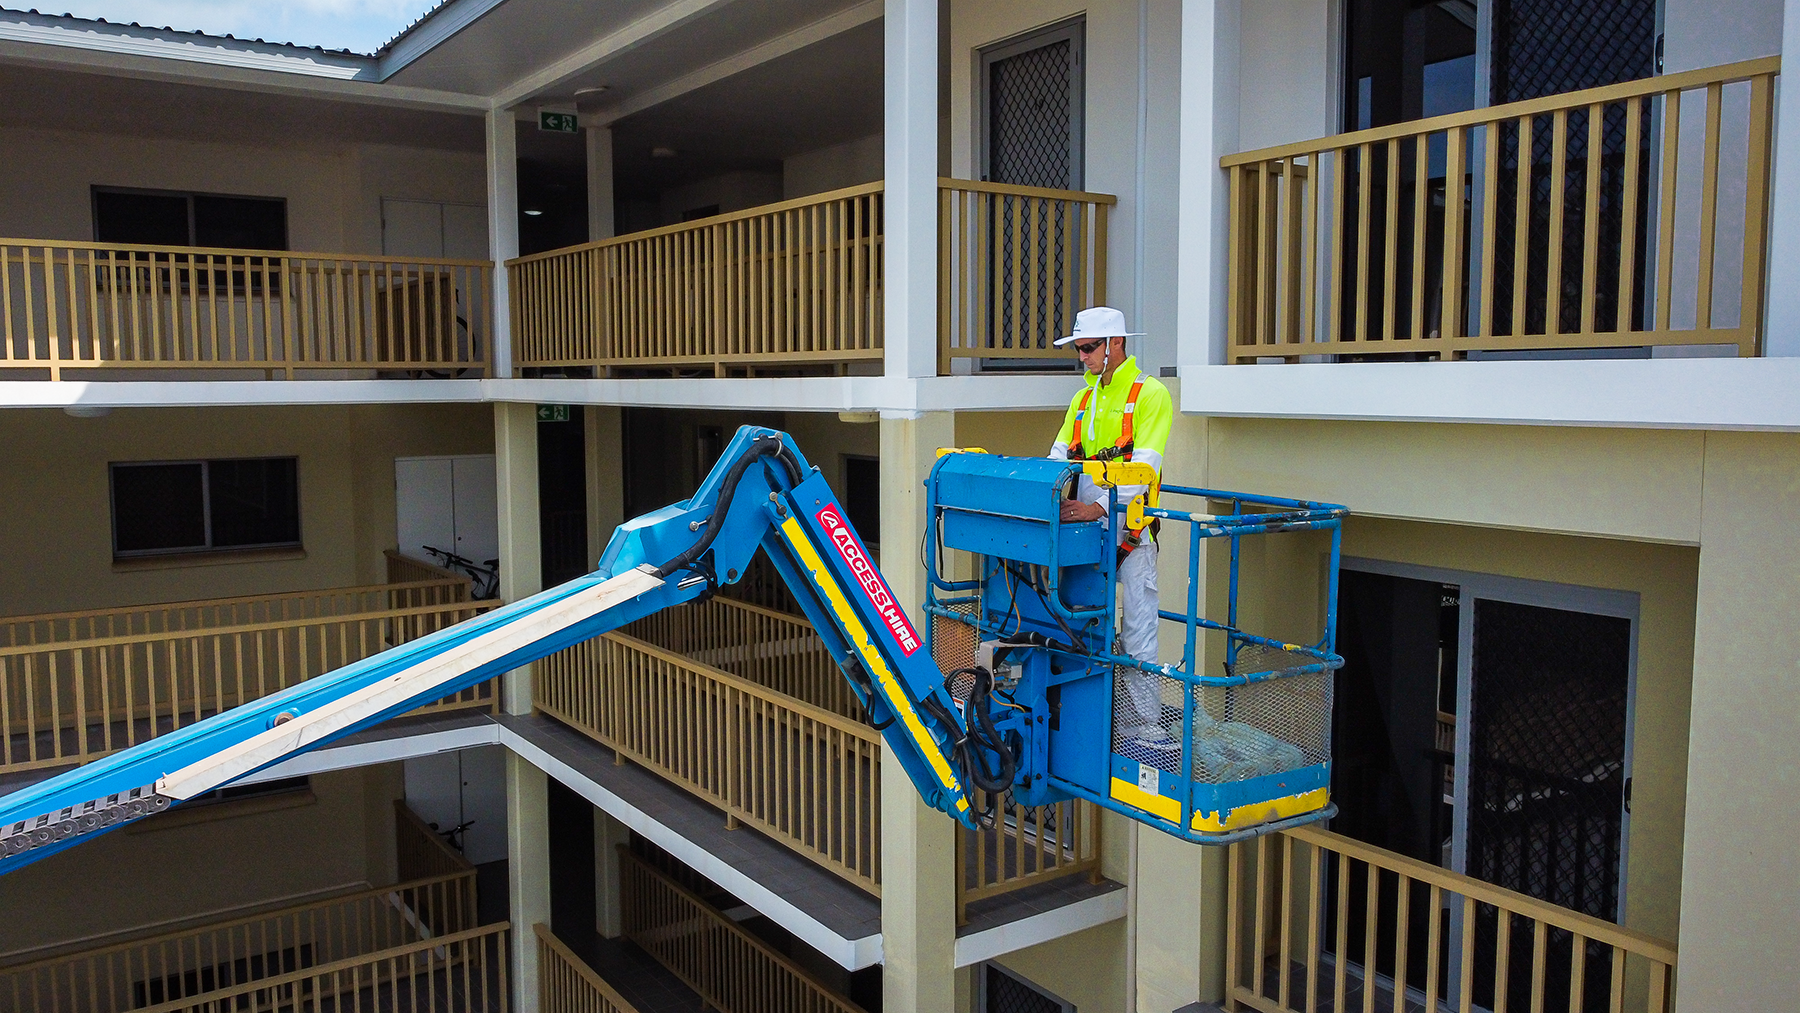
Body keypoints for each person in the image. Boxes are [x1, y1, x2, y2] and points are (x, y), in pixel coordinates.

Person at [1047, 306, 1173, 746]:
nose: (1081, 357)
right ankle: (1091, 714)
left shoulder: (1151, 395)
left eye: (1087, 348)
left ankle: (1144, 728)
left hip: (1128, 535)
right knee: (1081, 623)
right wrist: (1047, 492)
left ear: (1115, 344)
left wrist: (1098, 509)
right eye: (1078, 349)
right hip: (1083, 536)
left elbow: (1145, 468)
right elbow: (1058, 455)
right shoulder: (1082, 400)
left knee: (1138, 630)